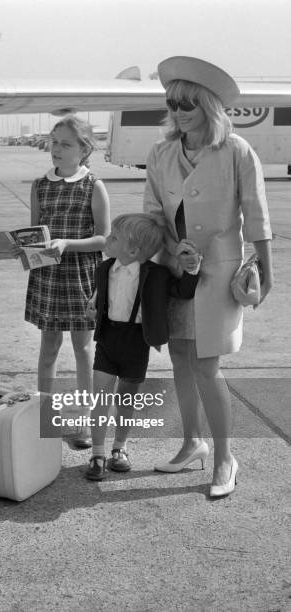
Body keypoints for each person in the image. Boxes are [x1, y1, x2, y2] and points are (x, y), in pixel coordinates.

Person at [144, 56, 273, 497]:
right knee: (179, 357)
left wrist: (267, 275)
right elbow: (152, 212)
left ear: (208, 107)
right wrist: (168, 249)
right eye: (172, 102)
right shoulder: (160, 152)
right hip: (173, 271)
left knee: (206, 364)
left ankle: (224, 458)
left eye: (188, 104)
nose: (178, 111)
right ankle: (191, 442)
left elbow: (257, 216)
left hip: (218, 272)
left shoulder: (236, 150)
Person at [15, 115, 110, 449]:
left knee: (83, 349)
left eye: (65, 144)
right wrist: (27, 249)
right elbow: (35, 232)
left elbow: (105, 239)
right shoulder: (40, 185)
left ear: (83, 149)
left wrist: (68, 244)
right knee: (48, 347)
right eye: (54, 142)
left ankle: (84, 419)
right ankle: (45, 415)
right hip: (49, 276)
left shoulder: (92, 185)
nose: (56, 149)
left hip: (81, 275)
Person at [83, 214, 200, 481]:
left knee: (126, 398)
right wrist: (94, 310)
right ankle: (97, 453)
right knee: (100, 396)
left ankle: (119, 448)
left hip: (137, 342)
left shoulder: (157, 274)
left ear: (133, 250)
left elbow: (183, 291)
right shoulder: (104, 269)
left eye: (114, 238)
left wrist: (191, 269)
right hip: (108, 337)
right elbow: (102, 299)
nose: (107, 240)